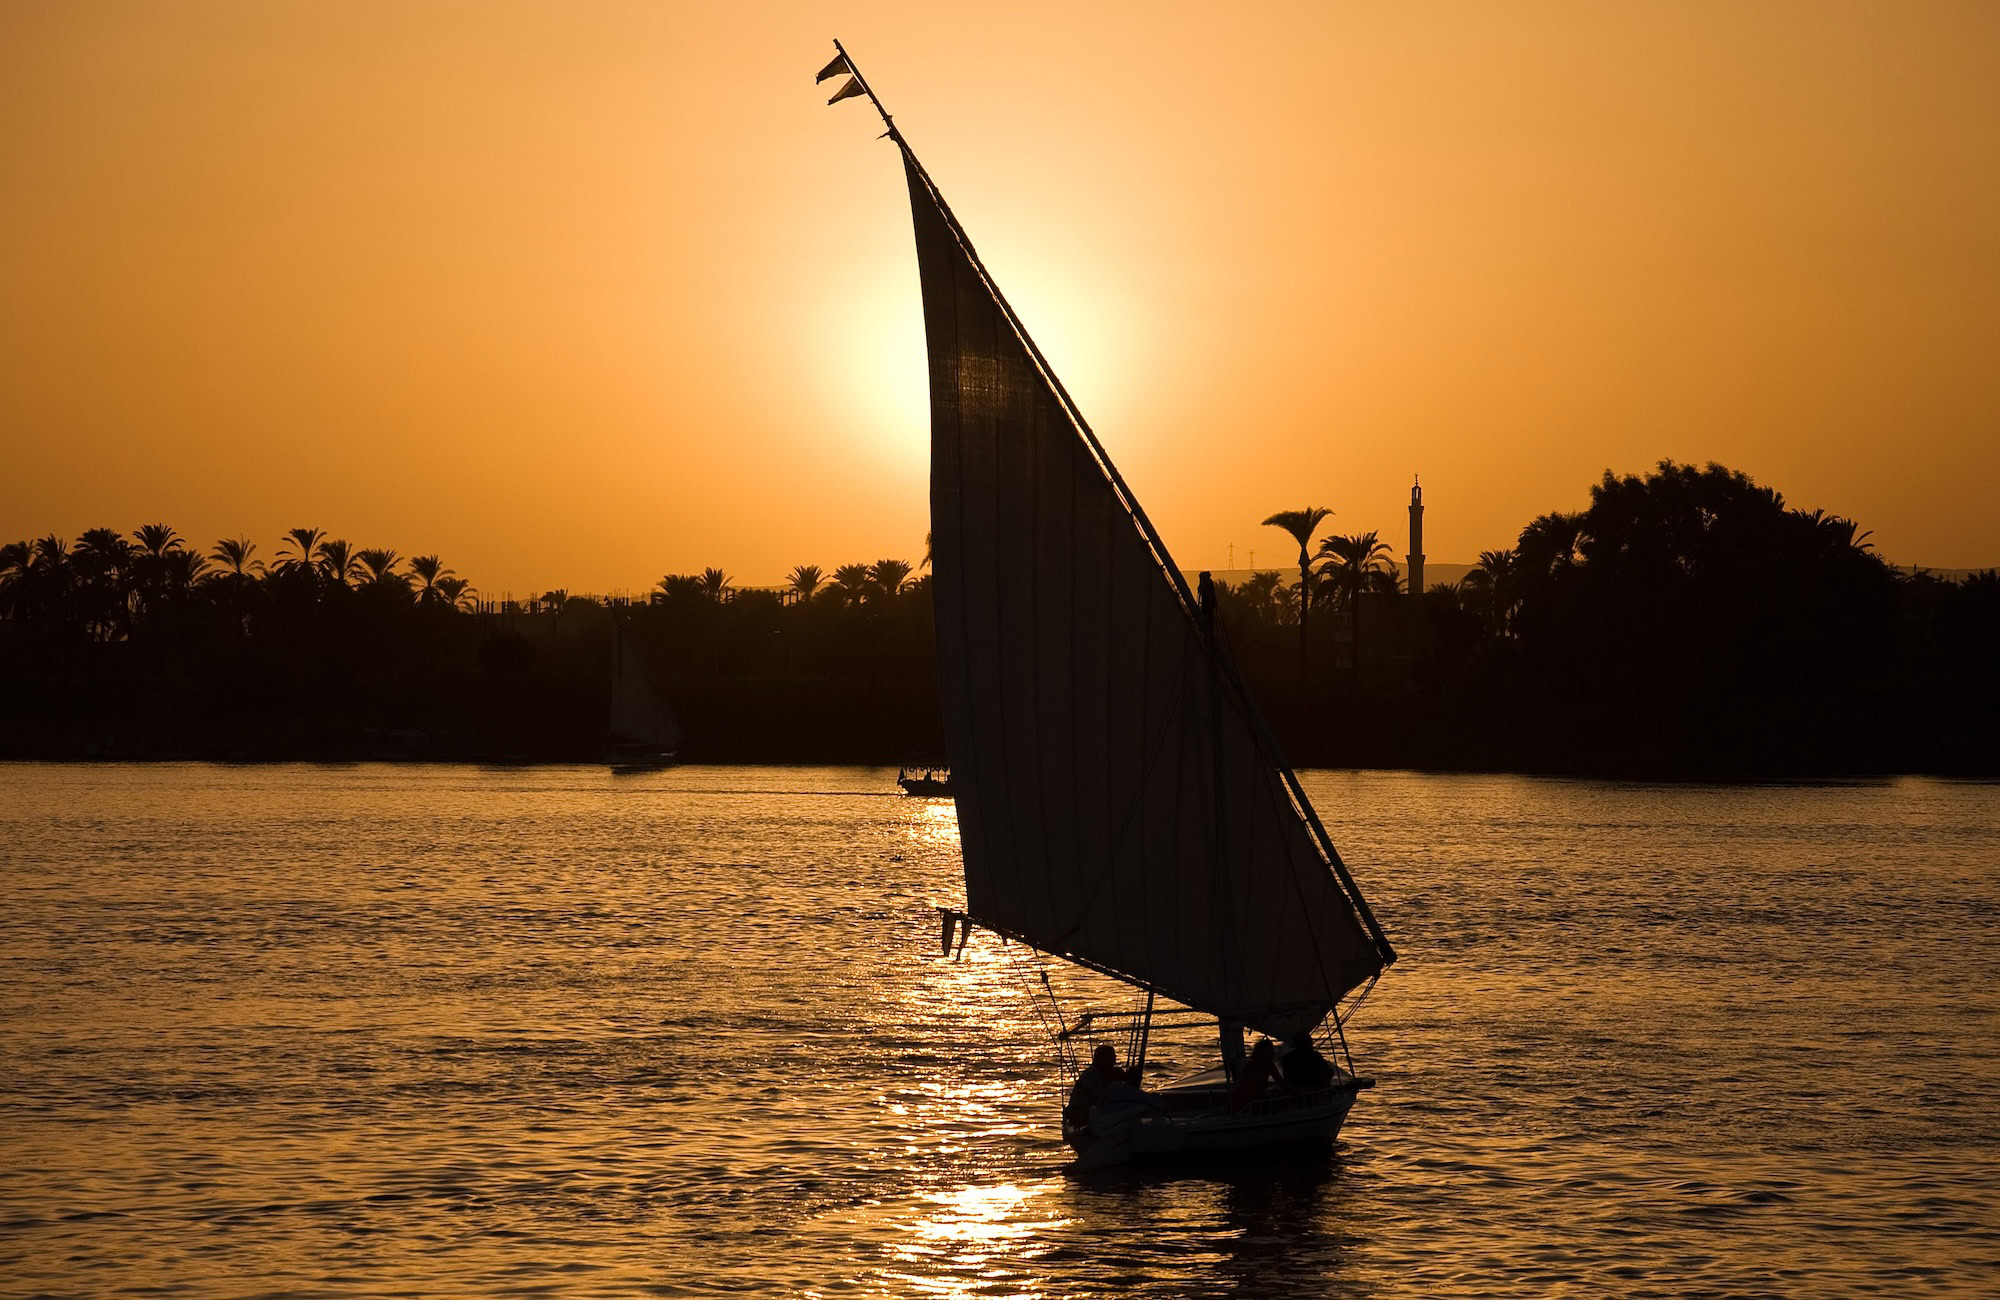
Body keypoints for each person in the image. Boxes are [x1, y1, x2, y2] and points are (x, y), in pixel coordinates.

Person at [1065, 1043, 1135, 1130]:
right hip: (1083, 1115)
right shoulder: (1092, 1075)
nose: (1109, 1061)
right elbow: (1099, 1098)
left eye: (1110, 1058)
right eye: (1106, 1058)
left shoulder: (1114, 1073)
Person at [1228, 1037, 1286, 1112]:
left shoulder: (1252, 1064)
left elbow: (1279, 1082)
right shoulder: (1260, 1065)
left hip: (1244, 1099)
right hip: (1248, 1101)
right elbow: (1280, 1082)